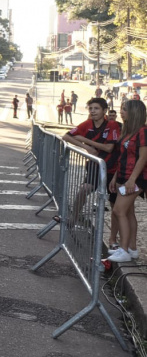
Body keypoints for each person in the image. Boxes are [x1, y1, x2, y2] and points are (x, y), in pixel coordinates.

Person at [63, 98, 121, 243]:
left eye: (96, 108)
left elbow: (109, 147)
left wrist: (86, 141)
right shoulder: (87, 124)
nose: (93, 111)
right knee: (84, 189)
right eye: (91, 108)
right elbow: (66, 136)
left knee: (115, 207)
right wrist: (86, 148)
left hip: (113, 170)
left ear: (104, 111)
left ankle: (113, 239)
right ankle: (73, 219)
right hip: (95, 168)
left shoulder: (112, 125)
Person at [106, 100, 147, 262]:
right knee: (128, 213)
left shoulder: (143, 131)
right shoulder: (128, 131)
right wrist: (115, 177)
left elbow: (143, 157)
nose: (121, 112)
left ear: (134, 112)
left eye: (124, 109)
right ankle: (131, 248)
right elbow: (122, 157)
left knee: (118, 211)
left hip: (136, 178)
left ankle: (123, 249)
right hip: (123, 175)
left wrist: (132, 180)